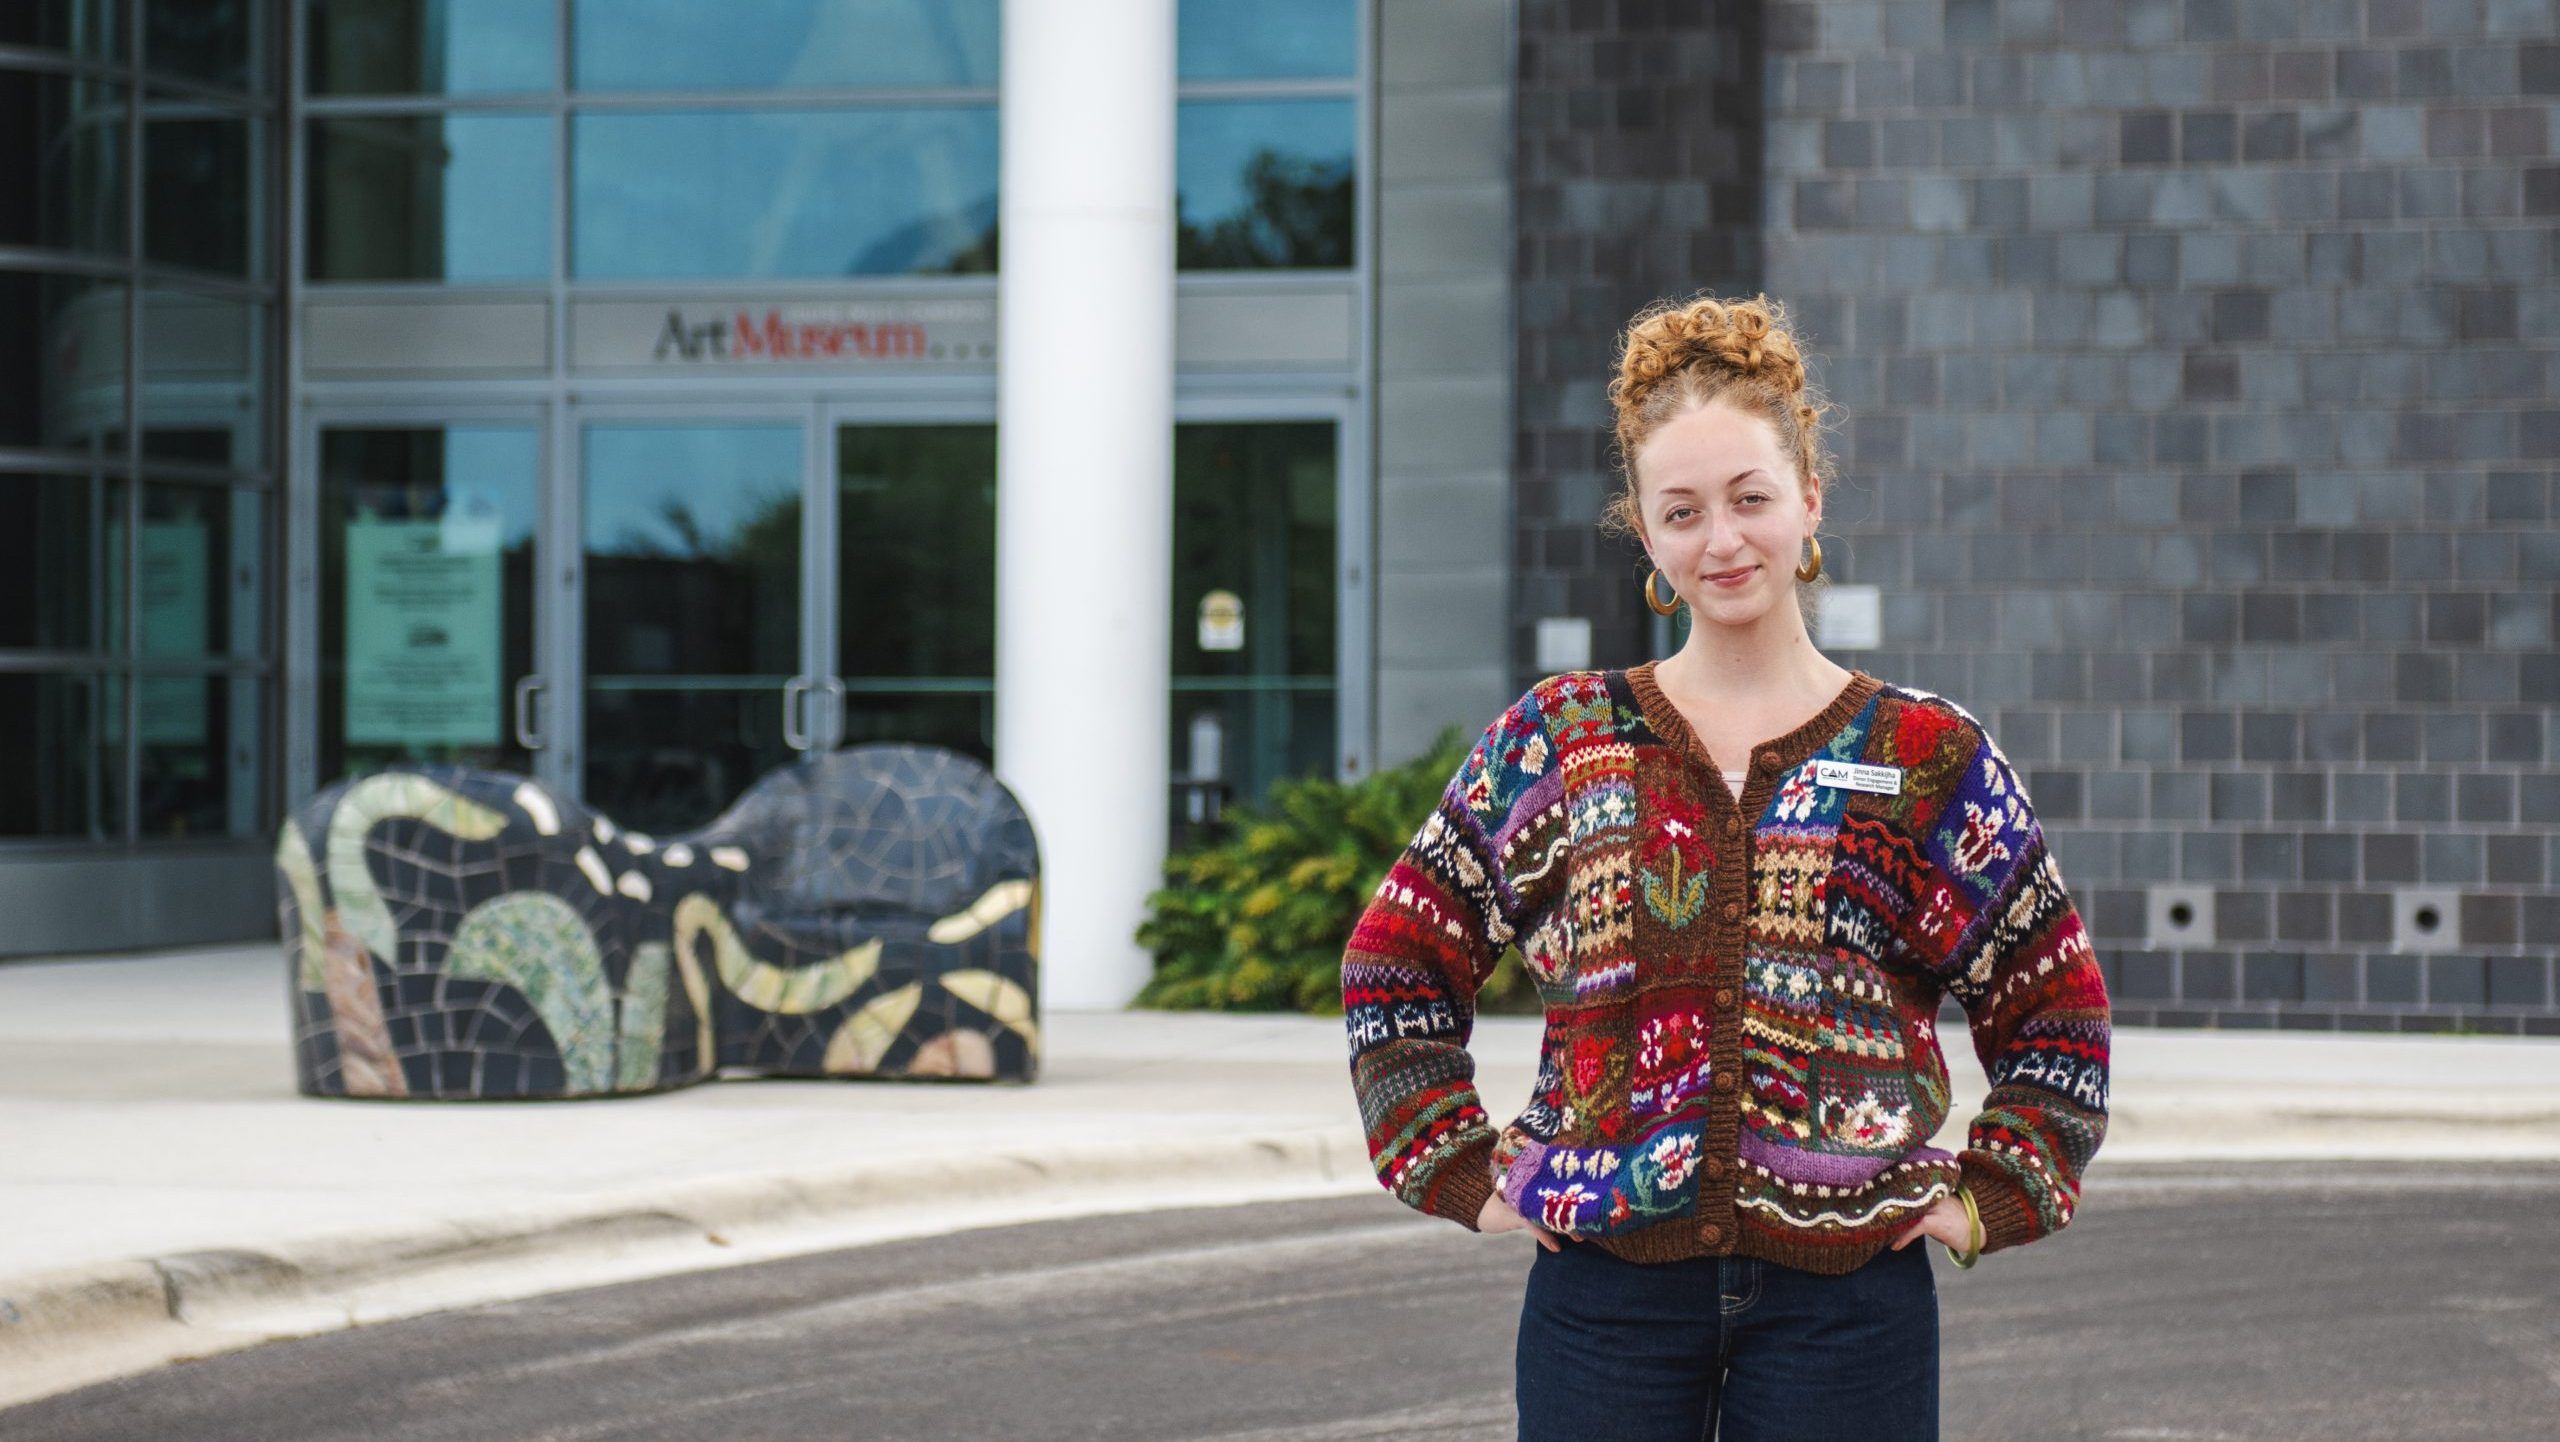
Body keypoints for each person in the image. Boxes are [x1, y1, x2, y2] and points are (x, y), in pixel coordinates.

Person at [1339, 293, 2112, 1441]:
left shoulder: (1924, 755)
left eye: (1749, 498)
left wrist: (1989, 1190)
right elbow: (1397, 958)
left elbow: (2055, 1006)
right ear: (1646, 535)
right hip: (1604, 1301)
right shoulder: (1563, 739)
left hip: (1849, 1307)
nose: (1723, 539)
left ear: (1809, 499)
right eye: (1683, 510)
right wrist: (1459, 1161)